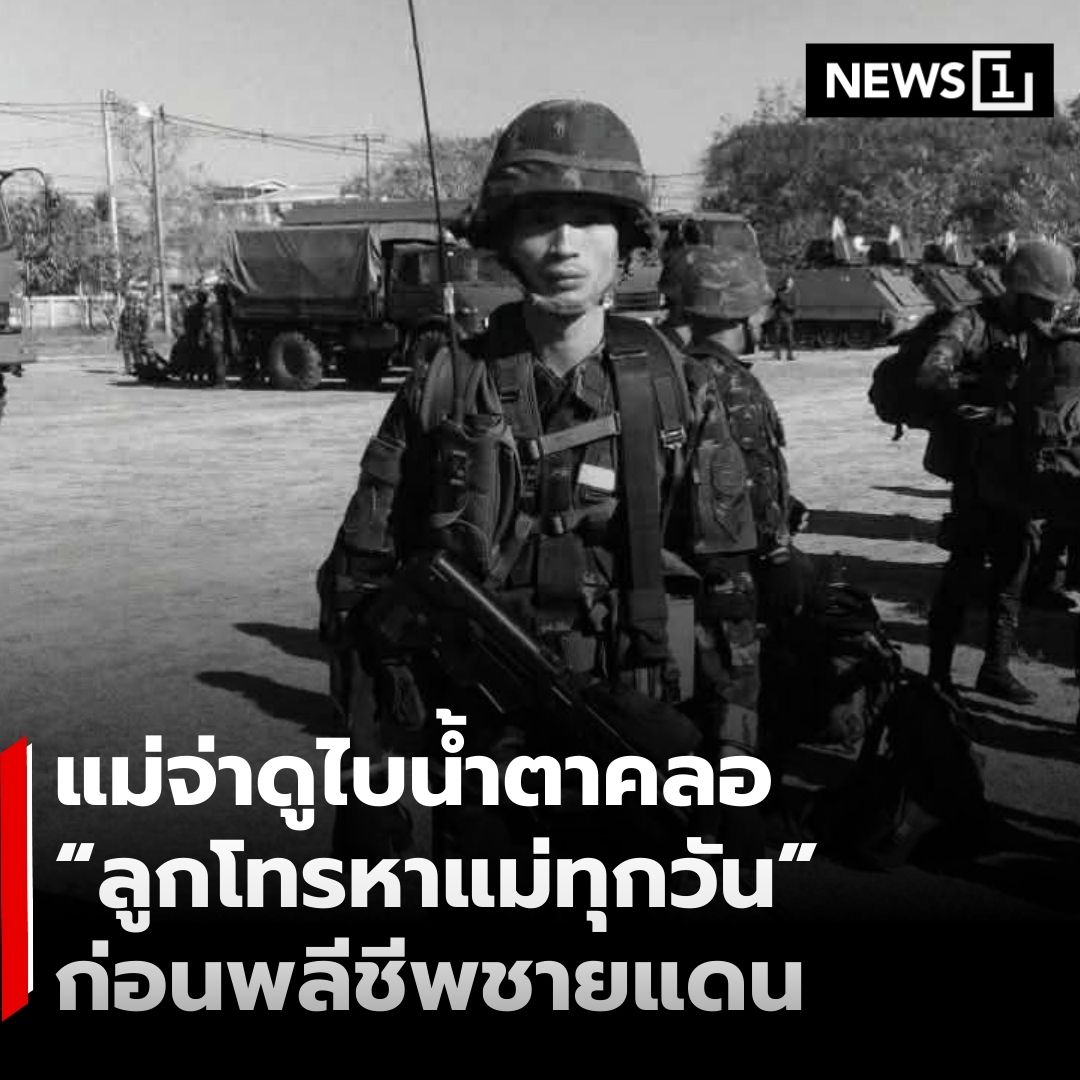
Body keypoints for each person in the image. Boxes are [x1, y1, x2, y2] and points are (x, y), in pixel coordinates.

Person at [317, 99, 764, 862]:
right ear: (503, 239)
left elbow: (731, 593)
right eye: (539, 219)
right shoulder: (446, 385)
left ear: (627, 239)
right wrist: (369, 782)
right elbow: (357, 585)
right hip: (482, 754)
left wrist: (737, 759)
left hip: (636, 740)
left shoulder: (679, 388)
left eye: (590, 219)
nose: (564, 245)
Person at [917, 238, 1077, 705]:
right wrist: (980, 392)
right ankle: (938, 675)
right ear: (1016, 290)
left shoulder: (1038, 331)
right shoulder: (971, 323)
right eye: (1041, 302)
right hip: (975, 474)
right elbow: (930, 375)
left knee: (1013, 573)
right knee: (962, 573)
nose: (1048, 312)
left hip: (1019, 475)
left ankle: (996, 668)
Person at [772, 275, 798, 362]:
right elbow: (774, 303)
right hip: (778, 317)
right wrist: (776, 306)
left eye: (791, 282)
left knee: (789, 337)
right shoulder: (779, 292)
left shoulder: (793, 294)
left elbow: (794, 307)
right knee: (777, 337)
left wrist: (786, 306)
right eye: (789, 282)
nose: (791, 284)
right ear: (786, 283)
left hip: (788, 318)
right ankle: (777, 354)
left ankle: (790, 355)